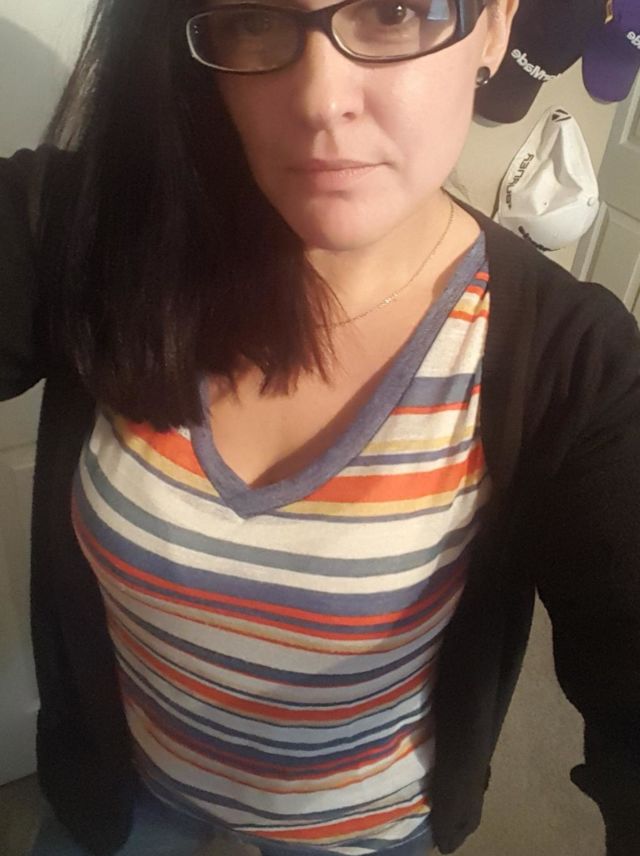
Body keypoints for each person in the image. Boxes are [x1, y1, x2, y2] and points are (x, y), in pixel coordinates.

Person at [0, 0, 639, 854]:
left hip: (366, 829)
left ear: (493, 26)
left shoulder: (574, 363)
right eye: (255, 18)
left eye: (393, 11)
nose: (318, 100)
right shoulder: (94, 232)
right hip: (131, 788)